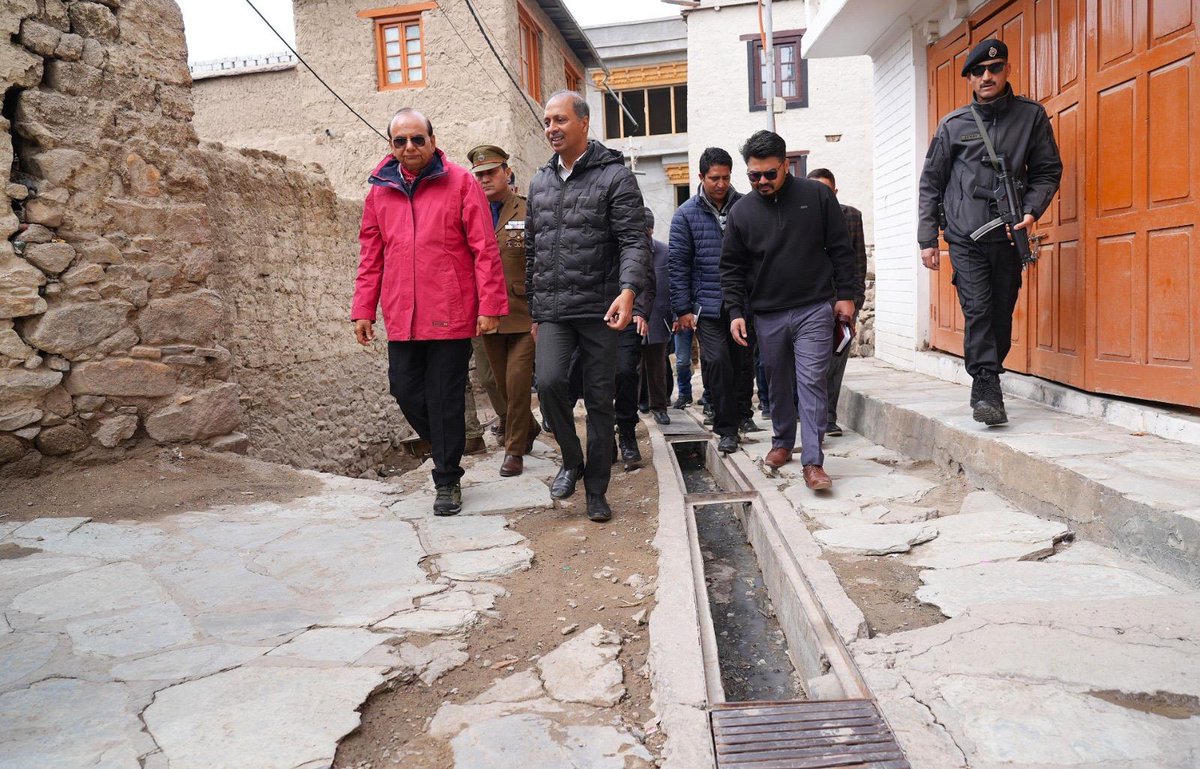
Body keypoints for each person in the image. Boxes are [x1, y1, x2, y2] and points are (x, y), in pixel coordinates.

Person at [352, 108, 507, 515]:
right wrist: (363, 309)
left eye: (417, 139)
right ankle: (445, 445)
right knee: (403, 389)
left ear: (433, 142)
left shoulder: (460, 182)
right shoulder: (379, 191)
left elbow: (484, 248)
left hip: (451, 311)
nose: (410, 147)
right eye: (400, 140)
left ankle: (447, 478)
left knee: (444, 395)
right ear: (391, 146)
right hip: (402, 313)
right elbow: (371, 255)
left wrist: (490, 305)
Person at [918, 38, 1062, 425]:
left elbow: (1047, 171)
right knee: (978, 308)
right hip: (966, 236)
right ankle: (986, 385)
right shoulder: (953, 125)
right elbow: (931, 182)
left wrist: (1031, 210)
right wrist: (927, 238)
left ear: (1007, 70)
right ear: (970, 78)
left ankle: (988, 374)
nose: (987, 76)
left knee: (1000, 310)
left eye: (994, 69)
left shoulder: (1031, 116)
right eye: (978, 71)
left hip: (1008, 235)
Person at [526, 90, 649, 523]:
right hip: (554, 310)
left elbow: (634, 241)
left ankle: (597, 490)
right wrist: (536, 312)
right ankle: (571, 459)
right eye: (547, 121)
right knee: (549, 384)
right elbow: (533, 251)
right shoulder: (539, 181)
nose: (552, 128)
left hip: (601, 307)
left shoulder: (616, 177)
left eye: (560, 120)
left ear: (583, 123)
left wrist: (629, 291)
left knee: (599, 401)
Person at [721, 130, 859, 490]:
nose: (762, 181)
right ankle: (782, 442)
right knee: (777, 381)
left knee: (812, 380)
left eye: (770, 173)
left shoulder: (817, 196)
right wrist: (735, 312)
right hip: (767, 314)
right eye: (754, 175)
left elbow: (841, 248)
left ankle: (813, 461)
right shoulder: (741, 212)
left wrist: (846, 296)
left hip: (814, 307)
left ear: (786, 165)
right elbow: (731, 268)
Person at [669, 147, 753, 455]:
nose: (721, 184)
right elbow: (678, 265)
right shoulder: (685, 215)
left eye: (726, 178)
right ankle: (726, 428)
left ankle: (740, 415)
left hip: (742, 304)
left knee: (742, 365)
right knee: (717, 362)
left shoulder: (746, 206)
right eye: (714, 178)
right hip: (706, 307)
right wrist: (683, 308)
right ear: (701, 177)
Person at [468, 144, 540, 477]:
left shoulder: (527, 210)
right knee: (489, 380)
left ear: (506, 173)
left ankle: (514, 450)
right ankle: (528, 427)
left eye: (491, 172)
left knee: (517, 380)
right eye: (479, 174)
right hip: (484, 313)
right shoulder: (469, 212)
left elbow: (542, 260)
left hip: (522, 312)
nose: (485, 179)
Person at [808, 168, 868, 437]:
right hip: (810, 300)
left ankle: (828, 417)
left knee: (837, 359)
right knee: (813, 362)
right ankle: (810, 413)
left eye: (827, 191)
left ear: (835, 191)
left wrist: (856, 300)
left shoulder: (851, 216)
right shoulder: (801, 218)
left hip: (842, 301)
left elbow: (858, 262)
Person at [615, 207, 671, 468]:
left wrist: (672, 314)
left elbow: (663, 284)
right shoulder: (620, 249)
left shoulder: (663, 251)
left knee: (654, 365)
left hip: (653, 315)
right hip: (622, 317)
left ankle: (658, 407)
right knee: (627, 371)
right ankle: (633, 411)